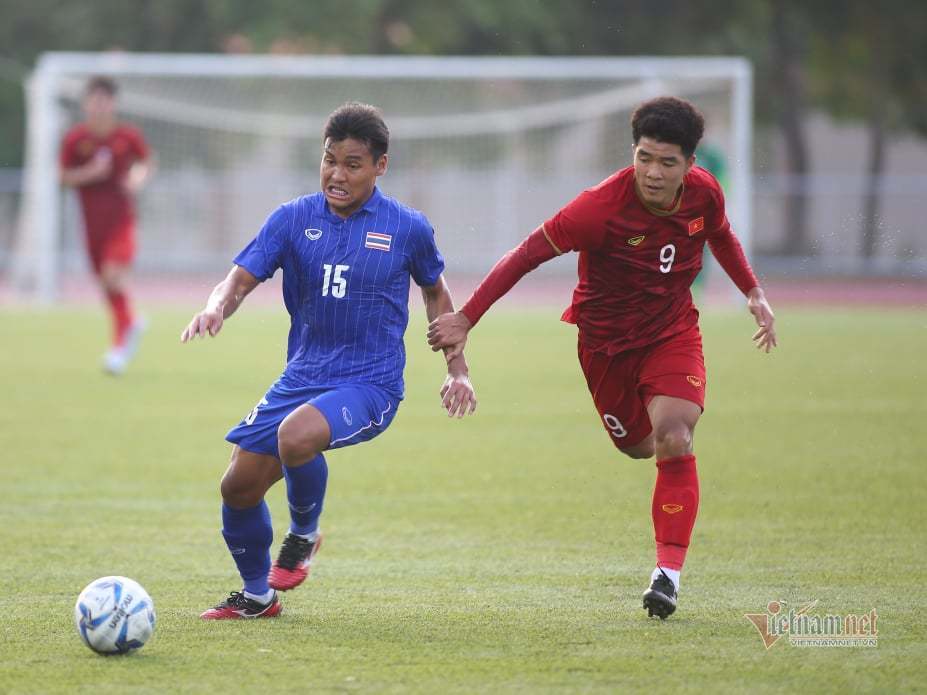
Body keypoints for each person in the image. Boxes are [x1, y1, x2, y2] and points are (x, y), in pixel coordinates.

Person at [427, 96, 777, 620]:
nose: (653, 173)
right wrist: (467, 318)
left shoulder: (705, 194)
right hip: (605, 345)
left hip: (672, 331)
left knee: (675, 436)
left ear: (690, 164)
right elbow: (526, 254)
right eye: (643, 158)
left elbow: (721, 235)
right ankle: (662, 510)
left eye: (666, 162)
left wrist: (752, 291)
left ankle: (667, 575)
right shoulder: (598, 208)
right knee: (639, 447)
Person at [181, 102, 477, 620]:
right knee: (238, 486)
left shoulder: (407, 227)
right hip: (302, 376)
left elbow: (437, 293)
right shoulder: (292, 218)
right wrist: (215, 308)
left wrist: (457, 369)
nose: (336, 175)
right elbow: (240, 278)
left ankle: (303, 536)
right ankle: (257, 597)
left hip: (371, 383)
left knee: (296, 438)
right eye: (329, 160)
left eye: (353, 164)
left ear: (380, 166)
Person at [60, 76, 152, 375]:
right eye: (94, 100)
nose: (99, 106)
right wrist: (91, 172)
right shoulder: (75, 139)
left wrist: (138, 177)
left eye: (105, 100)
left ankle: (120, 345)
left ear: (113, 103)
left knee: (113, 276)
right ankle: (131, 323)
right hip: (91, 226)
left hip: (121, 222)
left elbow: (146, 162)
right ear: (87, 103)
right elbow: (63, 177)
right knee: (107, 285)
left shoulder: (127, 136)